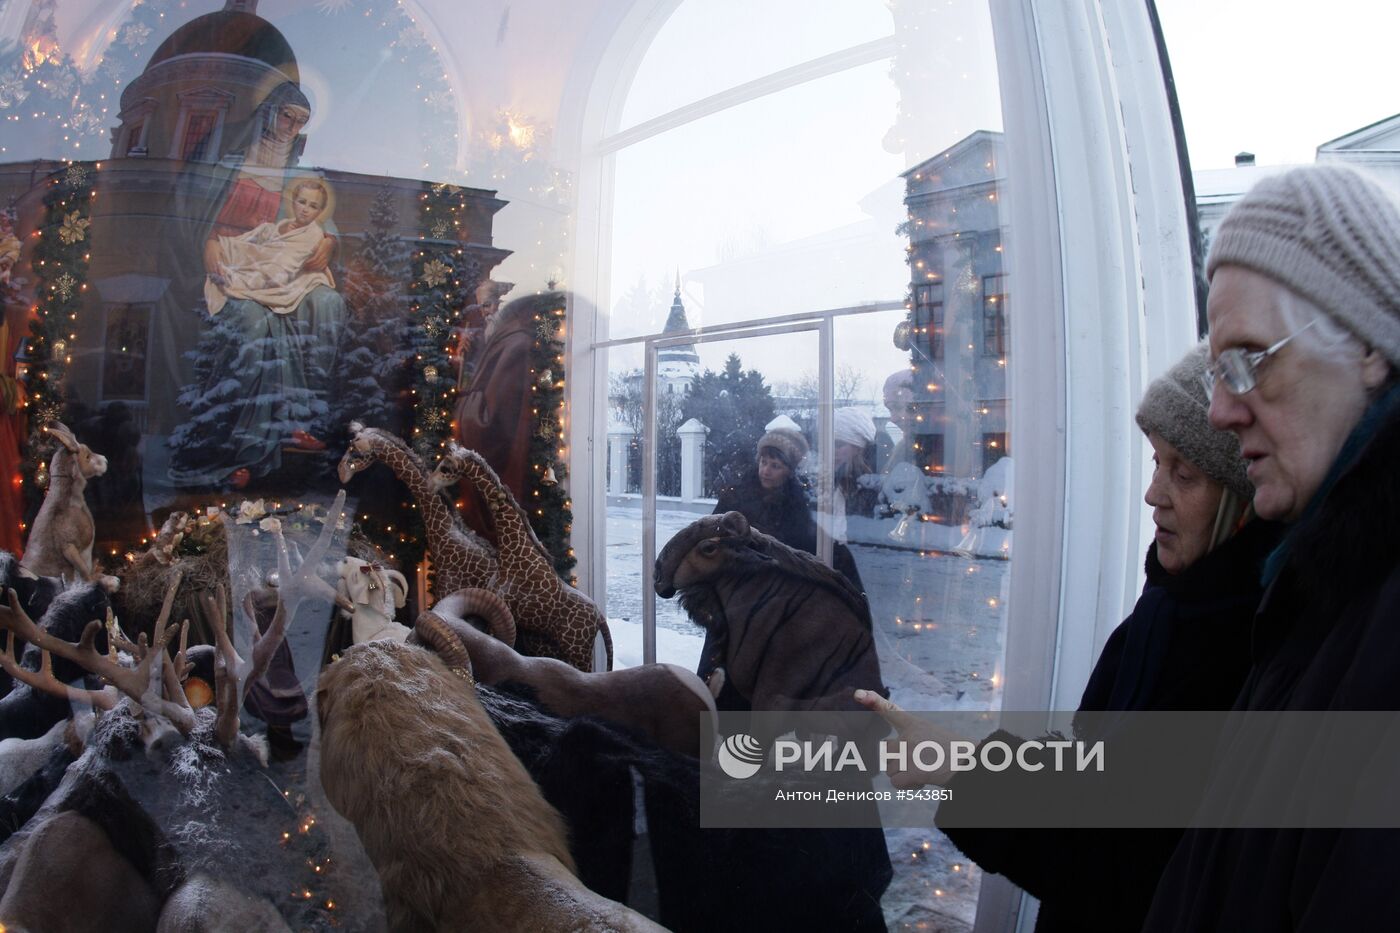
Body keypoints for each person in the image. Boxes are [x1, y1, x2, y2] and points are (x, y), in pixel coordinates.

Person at [857, 342, 1281, 933]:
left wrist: (959, 769)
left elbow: (1114, 857)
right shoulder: (1168, 608)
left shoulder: (1245, 651)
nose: (1153, 493)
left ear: (1245, 497)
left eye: (1184, 472)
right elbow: (1091, 776)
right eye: (1156, 462)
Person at [1139, 165, 1400, 932]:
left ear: (1368, 348)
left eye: (1250, 358)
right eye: (1219, 367)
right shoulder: (1313, 593)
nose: (1219, 409)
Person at [203, 178, 334, 316]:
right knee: (233, 249)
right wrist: (216, 243)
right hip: (256, 266)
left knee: (269, 274)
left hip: (274, 275)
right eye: (302, 202)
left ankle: (233, 280)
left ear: (320, 211)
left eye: (313, 206)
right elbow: (245, 244)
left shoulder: (313, 235)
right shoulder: (278, 225)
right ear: (294, 202)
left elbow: (285, 266)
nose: (305, 210)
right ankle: (228, 273)